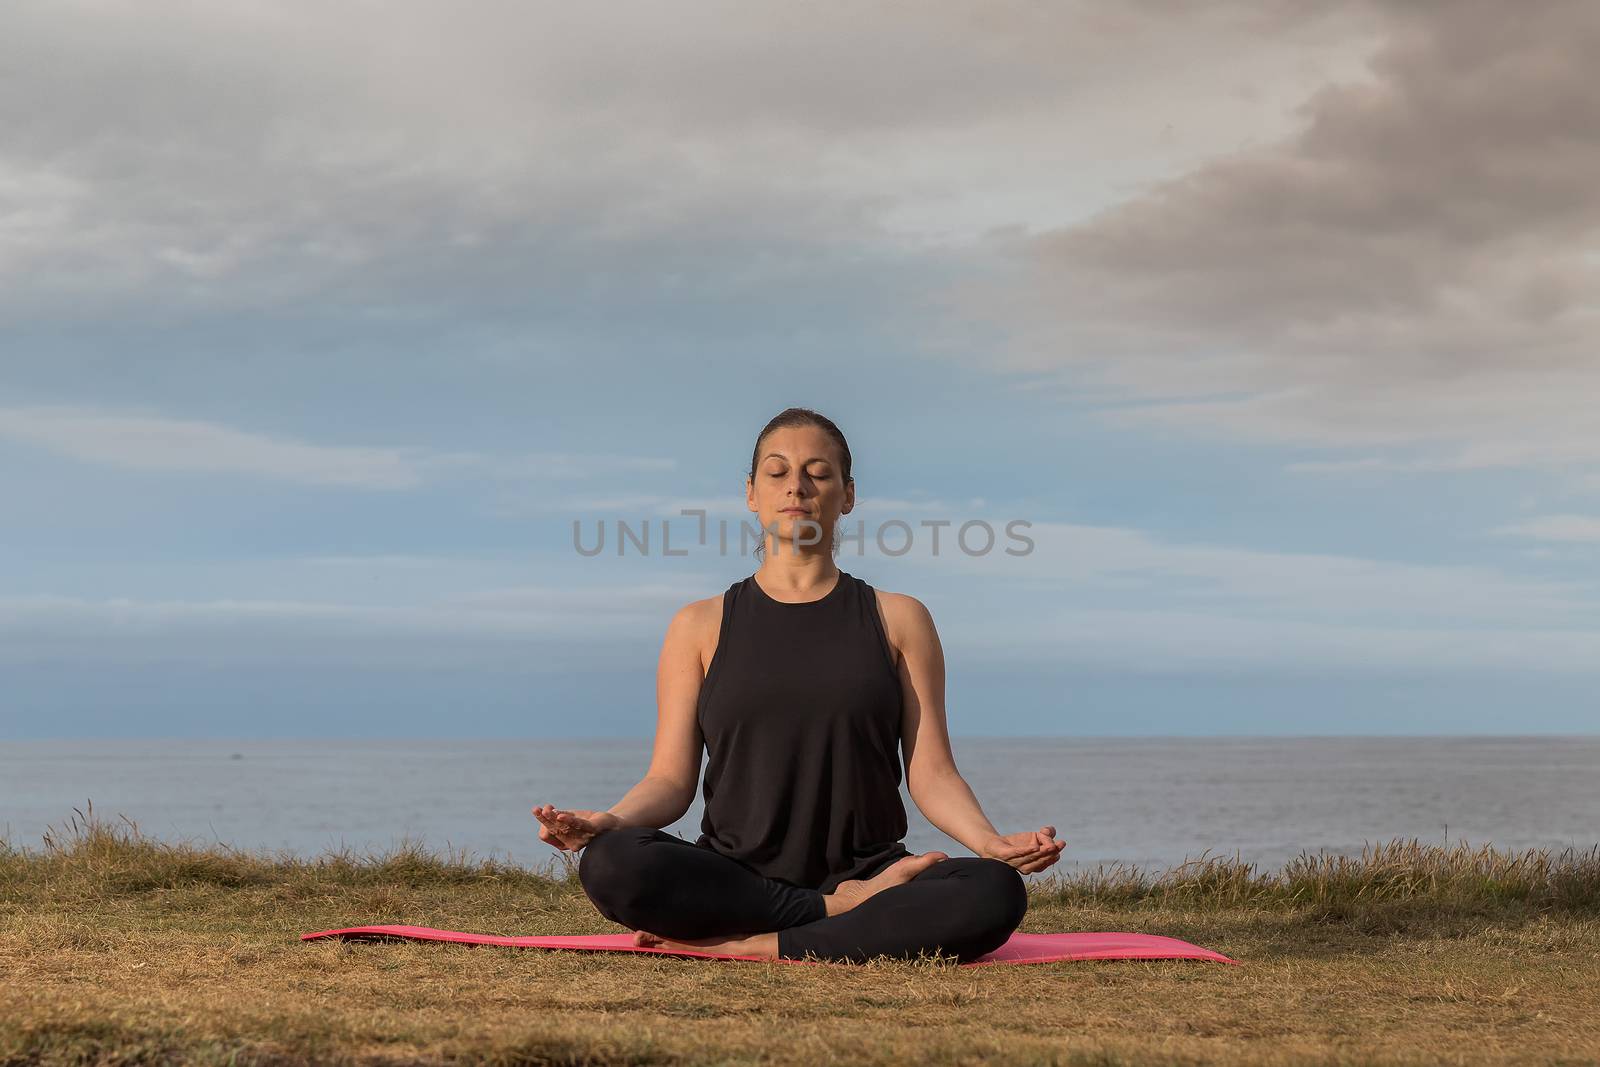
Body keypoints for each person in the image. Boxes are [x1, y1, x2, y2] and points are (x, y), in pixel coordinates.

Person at [533, 407, 1064, 963]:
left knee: (993, 891)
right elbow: (669, 779)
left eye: (818, 472)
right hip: (737, 876)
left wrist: (989, 843)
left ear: (848, 495)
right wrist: (610, 820)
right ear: (751, 493)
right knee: (613, 863)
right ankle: (833, 916)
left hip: (874, 871)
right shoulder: (698, 625)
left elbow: (931, 771)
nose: (797, 486)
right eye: (778, 471)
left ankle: (758, 943)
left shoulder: (900, 618)